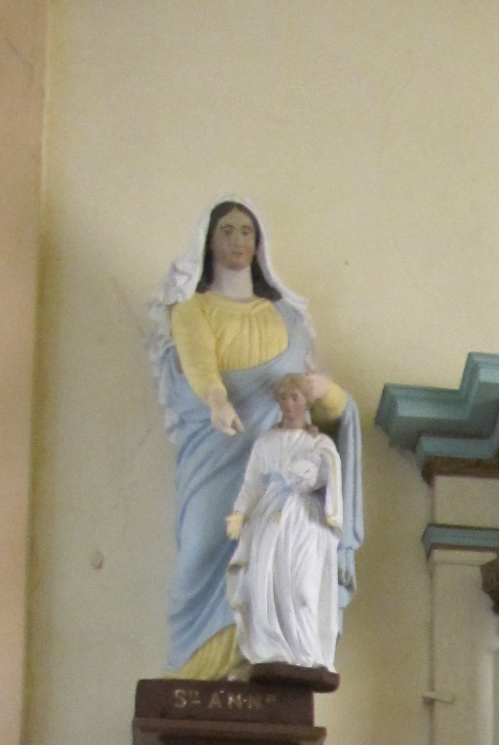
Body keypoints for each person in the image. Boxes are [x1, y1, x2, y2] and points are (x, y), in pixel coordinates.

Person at [146, 197, 362, 680]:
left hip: (275, 468)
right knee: (200, 548)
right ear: (209, 241)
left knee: (274, 561)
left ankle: (258, 656)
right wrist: (217, 398)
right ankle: (192, 671)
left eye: (247, 231)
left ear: (258, 242)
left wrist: (331, 394)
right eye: (227, 230)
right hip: (215, 452)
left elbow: (317, 400)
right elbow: (199, 362)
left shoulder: (287, 318)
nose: (238, 240)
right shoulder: (194, 310)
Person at [225, 373, 344, 671]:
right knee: (267, 586)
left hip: (305, 520)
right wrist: (239, 513)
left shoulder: (320, 444)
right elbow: (252, 484)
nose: (288, 405)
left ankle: (307, 654)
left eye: (294, 398)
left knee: (304, 590)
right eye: (282, 398)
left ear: (306, 403)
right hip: (270, 519)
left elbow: (325, 478)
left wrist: (311, 472)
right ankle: (273, 651)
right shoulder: (266, 443)